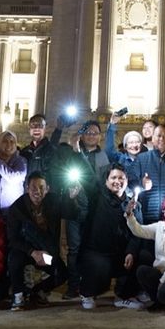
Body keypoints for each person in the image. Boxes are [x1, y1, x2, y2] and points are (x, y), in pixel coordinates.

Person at [6, 170, 86, 310]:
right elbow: (12, 239)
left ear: (47, 188)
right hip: (26, 252)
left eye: (42, 187)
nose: (38, 191)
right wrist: (32, 252)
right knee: (14, 260)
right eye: (33, 188)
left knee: (61, 273)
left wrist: (72, 198)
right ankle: (18, 295)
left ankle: (37, 292)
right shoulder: (17, 208)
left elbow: (71, 214)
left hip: (46, 254)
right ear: (27, 188)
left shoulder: (53, 201)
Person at [78, 165, 142, 310]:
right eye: (113, 177)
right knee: (100, 266)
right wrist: (77, 151)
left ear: (126, 181)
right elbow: (88, 175)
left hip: (120, 251)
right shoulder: (97, 196)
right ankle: (87, 293)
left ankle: (123, 295)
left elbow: (138, 233)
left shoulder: (133, 204)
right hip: (97, 251)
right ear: (106, 181)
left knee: (138, 257)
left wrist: (131, 252)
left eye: (121, 178)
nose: (117, 181)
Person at [63, 119, 110, 298]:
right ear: (82, 135)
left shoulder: (103, 156)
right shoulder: (73, 151)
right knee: (73, 248)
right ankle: (73, 285)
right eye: (88, 132)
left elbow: (101, 182)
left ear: (100, 137)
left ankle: (90, 284)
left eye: (95, 133)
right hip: (74, 207)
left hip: (95, 208)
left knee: (91, 247)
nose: (92, 136)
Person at [21, 114, 63, 188]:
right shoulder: (24, 152)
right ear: (29, 129)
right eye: (33, 125)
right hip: (27, 195)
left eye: (40, 125)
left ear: (45, 128)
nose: (36, 128)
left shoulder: (52, 151)